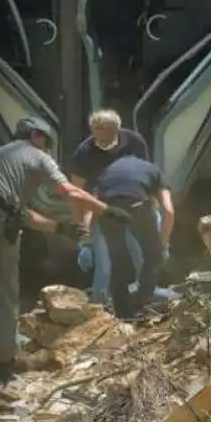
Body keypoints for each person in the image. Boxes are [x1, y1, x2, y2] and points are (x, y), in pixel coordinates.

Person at [0, 116, 131, 381]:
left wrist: (60, 228)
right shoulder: (35, 154)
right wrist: (108, 211)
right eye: (46, 142)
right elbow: (70, 192)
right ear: (36, 135)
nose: (47, 149)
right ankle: (4, 366)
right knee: (5, 291)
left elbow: (19, 213)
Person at [70, 109, 151, 302]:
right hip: (103, 208)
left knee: (143, 259)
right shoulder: (84, 153)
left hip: (135, 205)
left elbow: (147, 175)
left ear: (118, 129)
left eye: (107, 129)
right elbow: (76, 193)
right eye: (97, 129)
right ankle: (99, 307)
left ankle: (145, 301)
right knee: (104, 266)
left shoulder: (134, 142)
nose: (102, 134)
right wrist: (83, 237)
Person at [93, 155, 175, 319]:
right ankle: (141, 302)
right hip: (137, 206)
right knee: (153, 256)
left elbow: (93, 203)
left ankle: (123, 314)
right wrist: (162, 243)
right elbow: (168, 210)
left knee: (119, 262)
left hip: (108, 209)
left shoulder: (108, 172)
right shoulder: (156, 172)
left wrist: (87, 240)